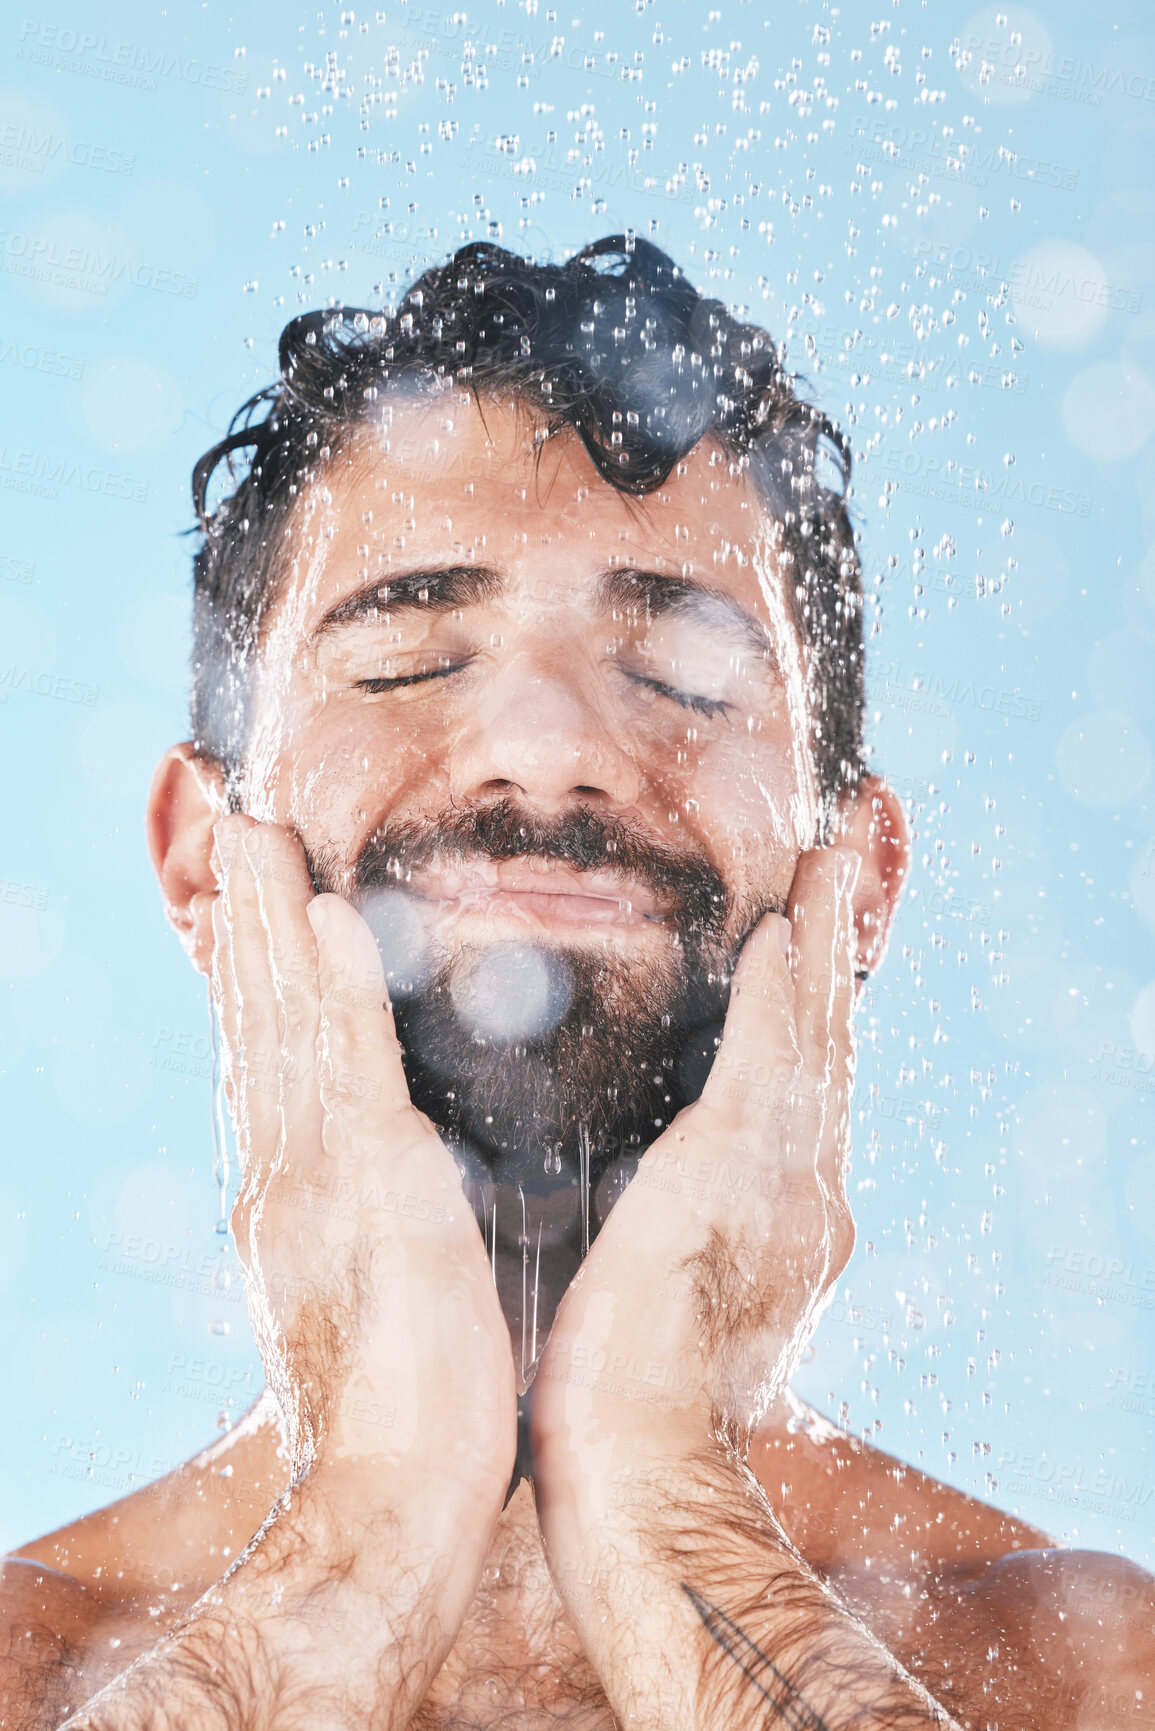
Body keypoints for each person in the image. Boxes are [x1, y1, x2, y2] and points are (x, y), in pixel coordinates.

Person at [3, 237, 1151, 1730]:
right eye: (409, 654)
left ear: (858, 876)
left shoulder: (1093, 1676)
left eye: (680, 674)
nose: (546, 747)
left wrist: (659, 1482)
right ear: (202, 862)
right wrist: (369, 1526)